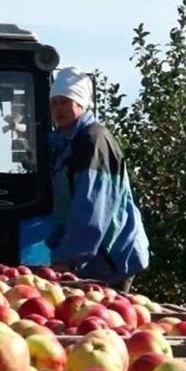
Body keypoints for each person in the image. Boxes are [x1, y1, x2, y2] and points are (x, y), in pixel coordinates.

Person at [46, 67, 150, 292]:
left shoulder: (93, 141)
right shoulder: (65, 145)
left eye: (65, 101)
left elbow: (92, 206)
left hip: (112, 256)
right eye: (54, 103)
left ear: (81, 104)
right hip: (91, 257)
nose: (58, 109)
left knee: (107, 322)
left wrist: (69, 258)